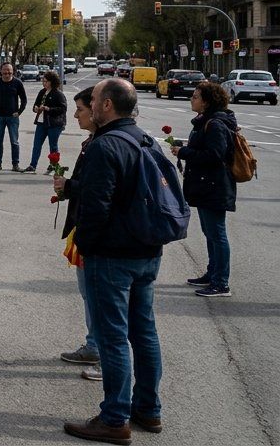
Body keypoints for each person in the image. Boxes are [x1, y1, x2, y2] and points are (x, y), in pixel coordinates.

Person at [62, 78, 165, 443]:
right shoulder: (144, 139)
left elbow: (96, 207)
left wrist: (87, 248)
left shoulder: (105, 146)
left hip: (113, 255)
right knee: (144, 332)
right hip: (147, 250)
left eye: (92, 99)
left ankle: (114, 418)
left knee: (113, 338)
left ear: (106, 106)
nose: (87, 105)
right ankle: (148, 410)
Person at [54, 87, 102, 382]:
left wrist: (70, 187)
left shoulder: (104, 146)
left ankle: (103, 356)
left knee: (98, 298)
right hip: (88, 232)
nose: (76, 115)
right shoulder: (95, 142)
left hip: (98, 239)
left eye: (81, 109)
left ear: (99, 109)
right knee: (90, 295)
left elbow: (99, 193)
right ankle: (94, 345)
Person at [172, 81, 237, 299]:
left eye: (196, 96)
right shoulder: (205, 121)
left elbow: (215, 156)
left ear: (206, 102)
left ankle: (221, 283)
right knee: (210, 233)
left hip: (214, 185)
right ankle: (212, 273)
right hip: (206, 184)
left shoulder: (215, 124)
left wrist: (184, 153)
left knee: (217, 234)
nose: (192, 99)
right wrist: (186, 149)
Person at [24, 71, 67, 174]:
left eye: (46, 81)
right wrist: (35, 108)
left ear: (52, 82)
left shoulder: (58, 94)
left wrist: (49, 109)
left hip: (54, 124)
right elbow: (36, 105)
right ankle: (32, 165)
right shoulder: (42, 92)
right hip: (41, 122)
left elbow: (62, 108)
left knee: (53, 145)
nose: (44, 83)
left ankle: (53, 166)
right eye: (43, 81)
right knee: (37, 144)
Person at [0, 63, 27, 171]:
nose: (7, 73)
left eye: (9, 70)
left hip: (12, 117)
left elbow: (24, 99)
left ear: (13, 71)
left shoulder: (17, 82)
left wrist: (19, 112)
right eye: (4, 70)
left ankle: (15, 164)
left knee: (14, 141)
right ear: (0, 71)